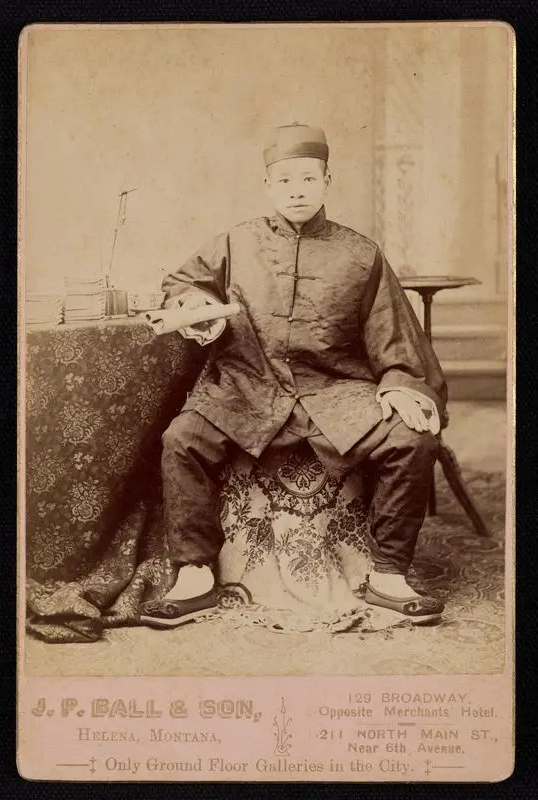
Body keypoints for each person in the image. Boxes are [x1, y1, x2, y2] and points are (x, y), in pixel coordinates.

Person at [140, 123, 448, 629]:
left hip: (337, 390)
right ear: (268, 185)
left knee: (412, 439)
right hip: (249, 384)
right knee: (182, 439)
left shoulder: (361, 254)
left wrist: (399, 384)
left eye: (308, 179)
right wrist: (195, 306)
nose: (297, 190)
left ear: (327, 180)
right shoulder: (235, 241)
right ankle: (194, 574)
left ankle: (389, 575)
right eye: (284, 181)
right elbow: (183, 286)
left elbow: (393, 334)